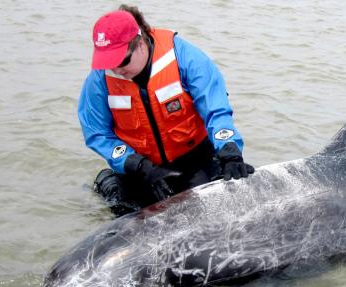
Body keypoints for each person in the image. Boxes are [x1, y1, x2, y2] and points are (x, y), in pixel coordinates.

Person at [78, 5, 253, 216]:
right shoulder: (98, 81)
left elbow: (216, 109)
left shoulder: (185, 58)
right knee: (123, 213)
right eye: (108, 62)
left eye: (122, 60)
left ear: (140, 42)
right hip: (141, 169)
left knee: (222, 208)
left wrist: (229, 150)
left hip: (193, 161)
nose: (116, 69)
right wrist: (139, 166)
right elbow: (97, 133)